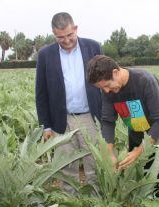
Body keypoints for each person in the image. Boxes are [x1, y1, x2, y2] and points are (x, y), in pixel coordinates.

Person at [35, 12, 102, 193]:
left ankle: (94, 200)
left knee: (93, 163)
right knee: (66, 167)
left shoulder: (93, 47)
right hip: (61, 120)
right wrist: (46, 126)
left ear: (76, 29)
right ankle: (68, 200)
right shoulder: (45, 54)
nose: (66, 40)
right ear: (53, 34)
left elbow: (104, 84)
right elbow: (41, 93)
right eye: (60, 37)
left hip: (90, 116)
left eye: (69, 35)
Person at [87, 55, 159, 171]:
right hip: (136, 134)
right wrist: (110, 154)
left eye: (107, 85)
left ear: (116, 72)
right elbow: (108, 121)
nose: (106, 91)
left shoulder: (144, 80)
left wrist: (139, 151)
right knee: (138, 177)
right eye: (102, 88)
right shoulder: (108, 91)